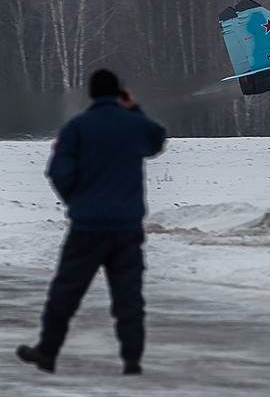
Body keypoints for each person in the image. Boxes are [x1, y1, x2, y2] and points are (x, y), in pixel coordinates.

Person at [17, 69, 167, 375]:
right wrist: (134, 109)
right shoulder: (135, 125)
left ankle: (47, 351)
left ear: (92, 94)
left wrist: (78, 200)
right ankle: (132, 358)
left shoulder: (77, 127)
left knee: (66, 291)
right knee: (128, 294)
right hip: (127, 227)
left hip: (88, 227)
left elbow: (58, 171)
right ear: (119, 94)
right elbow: (157, 140)